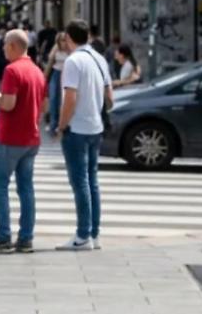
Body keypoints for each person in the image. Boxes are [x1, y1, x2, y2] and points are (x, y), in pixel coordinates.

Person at [0, 30, 46, 254]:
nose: (3, 49)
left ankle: (3, 237)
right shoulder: (37, 71)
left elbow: (8, 104)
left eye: (6, 45)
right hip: (31, 138)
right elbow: (43, 106)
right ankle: (26, 238)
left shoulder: (12, 70)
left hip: (10, 138)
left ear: (15, 46)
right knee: (26, 188)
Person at [56, 19, 114, 251]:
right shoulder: (99, 59)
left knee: (80, 182)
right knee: (92, 182)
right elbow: (110, 97)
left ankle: (82, 236)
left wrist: (61, 125)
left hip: (77, 128)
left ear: (69, 38)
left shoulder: (73, 61)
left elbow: (70, 98)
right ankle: (94, 233)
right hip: (95, 127)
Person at [44, 32, 72, 135]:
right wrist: (43, 78)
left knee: (62, 101)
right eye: (62, 40)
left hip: (67, 76)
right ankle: (53, 125)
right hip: (56, 75)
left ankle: (62, 125)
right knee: (53, 99)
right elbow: (50, 63)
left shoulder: (70, 50)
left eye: (65, 40)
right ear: (58, 41)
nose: (64, 42)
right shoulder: (56, 49)